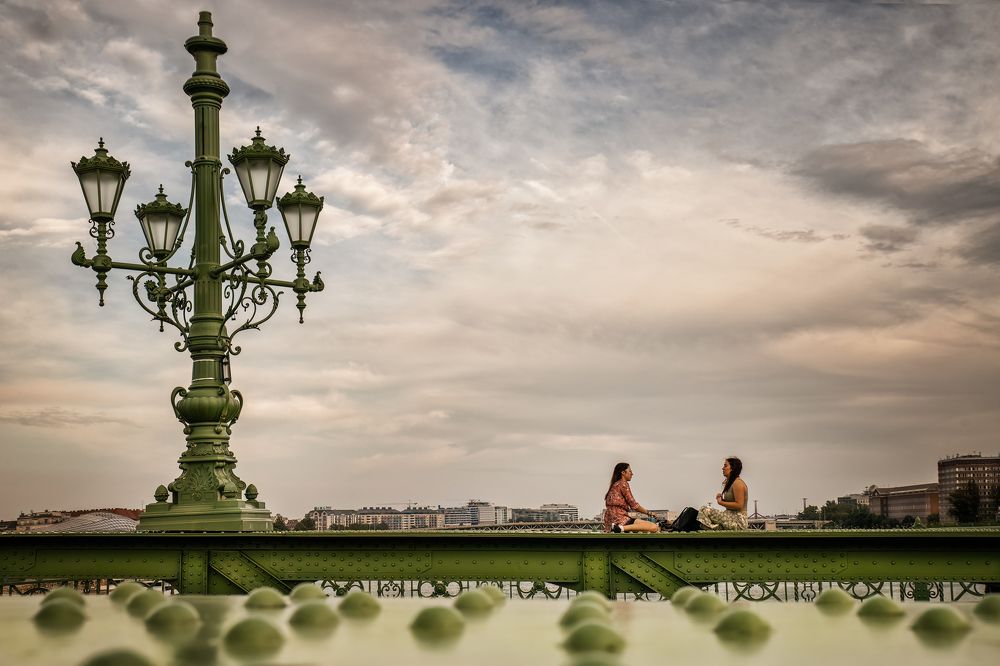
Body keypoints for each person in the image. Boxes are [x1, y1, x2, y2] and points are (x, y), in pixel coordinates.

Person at [604, 462, 660, 533]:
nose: (632, 474)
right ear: (623, 472)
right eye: (630, 471)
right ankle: (620, 528)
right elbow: (634, 505)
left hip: (610, 520)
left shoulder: (615, 485)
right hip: (621, 519)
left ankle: (619, 528)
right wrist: (650, 513)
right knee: (654, 527)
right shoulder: (623, 484)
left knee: (643, 529)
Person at [696, 457, 749, 530]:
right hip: (731, 516)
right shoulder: (732, 483)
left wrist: (721, 503)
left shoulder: (738, 483)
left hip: (739, 521)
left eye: (725, 466)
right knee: (702, 515)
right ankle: (714, 529)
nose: (723, 468)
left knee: (704, 509)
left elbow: (739, 505)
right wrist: (723, 500)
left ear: (732, 468)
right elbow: (733, 505)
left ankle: (711, 531)